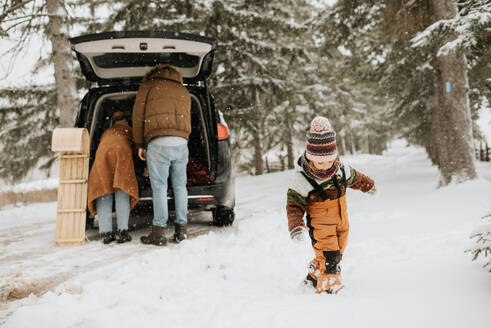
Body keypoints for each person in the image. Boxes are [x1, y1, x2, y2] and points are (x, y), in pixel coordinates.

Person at [286, 116, 376, 294]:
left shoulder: (341, 170)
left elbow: (356, 178)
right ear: (311, 158)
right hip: (320, 225)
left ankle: (314, 276)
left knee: (338, 251)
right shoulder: (302, 179)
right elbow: (294, 204)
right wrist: (296, 225)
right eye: (320, 162)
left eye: (329, 160)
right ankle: (330, 291)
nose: (325, 165)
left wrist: (368, 185)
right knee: (330, 257)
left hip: (342, 221)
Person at [132, 64, 191, 246]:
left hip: (158, 142)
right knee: (180, 186)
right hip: (181, 143)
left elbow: (138, 115)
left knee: (160, 188)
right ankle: (181, 231)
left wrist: (140, 144)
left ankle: (158, 232)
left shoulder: (149, 86)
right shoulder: (182, 90)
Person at [87, 111, 139, 244]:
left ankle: (106, 233)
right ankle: (123, 231)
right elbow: (136, 152)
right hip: (121, 155)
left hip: (102, 156)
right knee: (122, 190)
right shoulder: (129, 130)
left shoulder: (107, 131)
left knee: (104, 191)